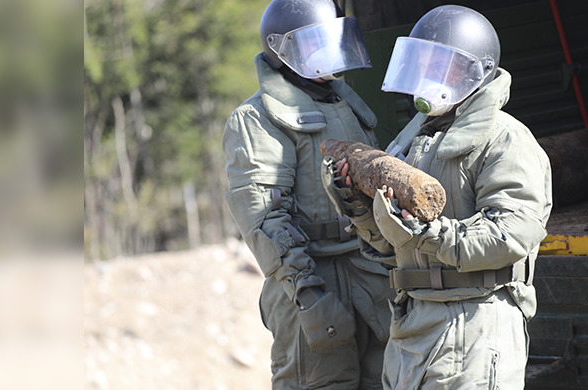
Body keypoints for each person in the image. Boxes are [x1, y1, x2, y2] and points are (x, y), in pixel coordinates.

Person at [322, 5, 553, 389]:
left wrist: (427, 233)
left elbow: (510, 235)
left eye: (440, 66)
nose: (427, 77)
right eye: (423, 65)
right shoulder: (421, 142)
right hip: (414, 323)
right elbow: (393, 245)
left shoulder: (505, 139)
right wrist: (362, 210)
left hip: (474, 322)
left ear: (474, 73)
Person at [222, 0, 395, 388]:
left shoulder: (343, 100)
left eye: (331, 40)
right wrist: (308, 295)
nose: (328, 51)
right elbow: (265, 221)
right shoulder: (257, 118)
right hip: (312, 280)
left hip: (368, 273)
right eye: (315, 43)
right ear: (283, 50)